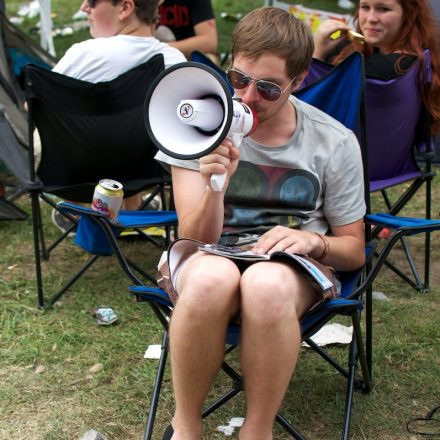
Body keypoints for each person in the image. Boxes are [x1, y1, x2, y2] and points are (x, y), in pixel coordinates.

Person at [155, 7, 366, 439]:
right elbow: (194, 238)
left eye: (269, 88)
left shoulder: (334, 141)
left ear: (298, 80)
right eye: (238, 79)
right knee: (212, 278)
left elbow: (354, 249)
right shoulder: (195, 124)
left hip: (290, 269)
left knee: (264, 284)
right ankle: (186, 427)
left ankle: (257, 430)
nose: (249, 97)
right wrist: (215, 184)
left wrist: (312, 242)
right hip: (210, 255)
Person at [49, 0, 186, 233]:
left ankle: (77, 209)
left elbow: (31, 104)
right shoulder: (174, 61)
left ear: (125, 8)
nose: (84, 7)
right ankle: (132, 208)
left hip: (72, 175)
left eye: (92, 2)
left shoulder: (82, 54)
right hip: (147, 172)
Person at [313, 0, 440, 133]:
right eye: (365, 7)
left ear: (408, 14)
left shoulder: (383, 68)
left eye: (383, 9)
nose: (371, 18)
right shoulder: (419, 56)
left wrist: (317, 55)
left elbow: (314, 109)